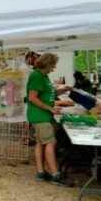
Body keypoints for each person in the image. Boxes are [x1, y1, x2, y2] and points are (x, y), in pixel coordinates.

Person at [27, 53, 71, 185]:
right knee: (50, 143)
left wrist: (64, 90)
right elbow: (32, 97)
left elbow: (48, 93)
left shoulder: (43, 76)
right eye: (53, 65)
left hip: (42, 115)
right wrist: (50, 108)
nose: (54, 68)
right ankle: (55, 174)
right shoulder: (36, 76)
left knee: (40, 143)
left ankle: (41, 172)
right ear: (47, 64)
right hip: (40, 116)